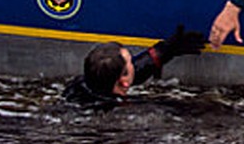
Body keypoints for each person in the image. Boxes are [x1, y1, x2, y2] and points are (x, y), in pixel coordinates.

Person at [64, 25, 207, 106]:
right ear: (123, 82)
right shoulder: (124, 108)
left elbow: (134, 73)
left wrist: (162, 51)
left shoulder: (80, 85)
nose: (134, 62)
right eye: (131, 62)